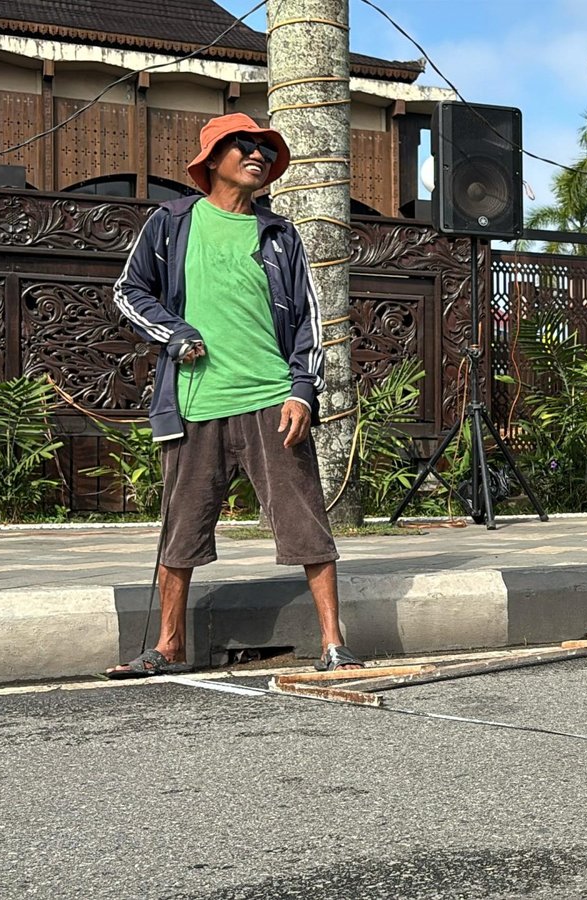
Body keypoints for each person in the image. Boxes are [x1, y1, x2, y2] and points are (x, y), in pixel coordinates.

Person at [104, 113, 361, 677]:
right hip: (195, 404)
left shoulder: (279, 235)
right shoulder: (171, 224)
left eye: (264, 149)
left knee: (305, 523)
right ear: (211, 160)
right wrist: (175, 333)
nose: (257, 155)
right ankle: (168, 647)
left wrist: (302, 393)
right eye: (242, 145)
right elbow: (129, 292)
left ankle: (334, 644)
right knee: (182, 527)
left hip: (272, 401)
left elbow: (309, 325)